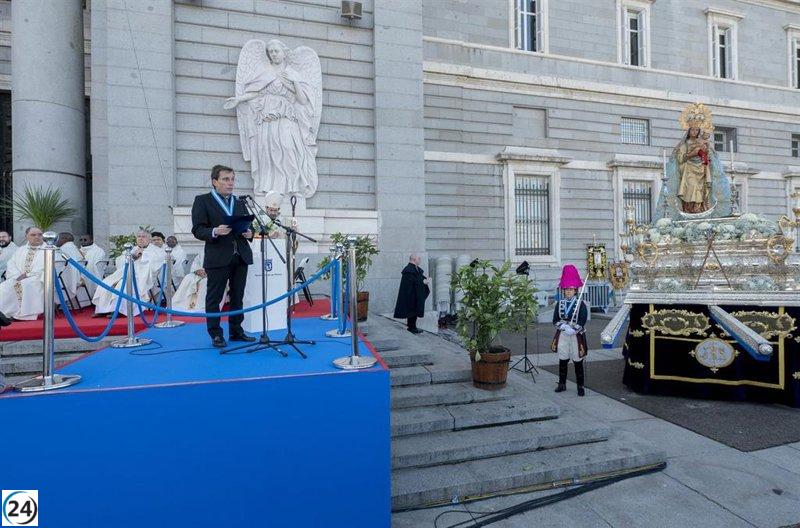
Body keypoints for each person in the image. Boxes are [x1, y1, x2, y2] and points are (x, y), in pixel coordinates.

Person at [191, 164, 255, 348]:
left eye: (232, 179)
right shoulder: (203, 201)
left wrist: (250, 232)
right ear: (214, 181)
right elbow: (197, 229)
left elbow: (249, 225)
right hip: (218, 256)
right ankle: (216, 334)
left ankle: (236, 331)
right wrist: (214, 231)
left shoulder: (240, 202)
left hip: (240, 256)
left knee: (238, 296)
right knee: (215, 297)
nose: (230, 183)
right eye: (226, 179)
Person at [92, 230, 165, 317]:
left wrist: (143, 255)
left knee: (123, 284)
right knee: (106, 283)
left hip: (142, 276)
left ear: (149, 239)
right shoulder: (132, 249)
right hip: (125, 273)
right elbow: (120, 262)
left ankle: (120, 310)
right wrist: (132, 257)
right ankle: (103, 309)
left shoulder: (156, 250)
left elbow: (156, 263)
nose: (140, 239)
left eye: (143, 237)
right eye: (139, 236)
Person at [551, 264, 589, 396]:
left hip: (575, 335)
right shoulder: (559, 304)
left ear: (575, 290)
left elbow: (582, 320)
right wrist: (563, 326)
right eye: (566, 289)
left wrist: (574, 329)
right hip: (563, 334)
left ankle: (580, 386)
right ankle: (562, 384)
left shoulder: (580, 304)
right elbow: (555, 320)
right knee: (563, 359)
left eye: (571, 289)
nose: (568, 291)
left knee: (577, 360)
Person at [0, 227, 45, 320]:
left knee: (26, 284)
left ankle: (26, 314)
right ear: (26, 236)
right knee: (4, 286)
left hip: (38, 278)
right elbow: (11, 264)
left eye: (40, 235)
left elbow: (46, 266)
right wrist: (17, 275)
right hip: (18, 276)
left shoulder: (48, 250)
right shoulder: (21, 249)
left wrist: (27, 275)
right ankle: (7, 313)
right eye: (33, 235)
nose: (37, 237)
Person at [393, 253, 430, 334]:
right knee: (412, 310)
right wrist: (423, 282)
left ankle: (413, 327)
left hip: (415, 294)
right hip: (410, 295)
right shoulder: (408, 270)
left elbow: (418, 278)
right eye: (419, 258)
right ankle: (411, 327)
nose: (420, 260)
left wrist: (424, 280)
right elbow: (411, 282)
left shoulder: (415, 268)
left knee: (415, 310)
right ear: (414, 259)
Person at [55, 232, 84, 302]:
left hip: (68, 276)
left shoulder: (67, 247)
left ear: (64, 239)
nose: (56, 241)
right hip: (74, 275)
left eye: (57, 238)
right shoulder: (72, 247)